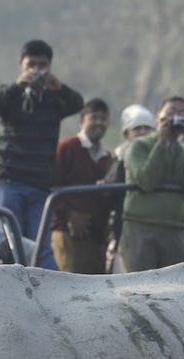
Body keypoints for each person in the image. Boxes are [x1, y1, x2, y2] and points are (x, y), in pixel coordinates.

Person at [0, 39, 84, 270]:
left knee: (39, 248)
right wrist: (17, 87)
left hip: (39, 186)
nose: (36, 70)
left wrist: (59, 87)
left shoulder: (55, 99)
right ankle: (9, 286)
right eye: (31, 65)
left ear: (50, 67)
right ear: (21, 65)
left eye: (42, 65)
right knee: (11, 245)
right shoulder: (10, 94)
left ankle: (48, 290)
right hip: (8, 182)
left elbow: (78, 104)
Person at [118, 96, 184, 272]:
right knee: (140, 284)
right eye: (171, 112)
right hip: (140, 227)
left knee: (175, 285)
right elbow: (146, 181)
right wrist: (162, 143)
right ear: (158, 117)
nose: (176, 117)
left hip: (175, 229)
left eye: (182, 113)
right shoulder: (139, 146)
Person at [51, 98, 113, 274]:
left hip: (96, 237)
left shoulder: (107, 157)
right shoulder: (66, 147)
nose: (99, 123)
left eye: (103, 119)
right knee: (66, 282)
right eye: (94, 118)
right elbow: (51, 185)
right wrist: (69, 215)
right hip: (66, 232)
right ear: (82, 121)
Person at [104, 104, 157, 270]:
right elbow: (112, 187)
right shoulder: (121, 157)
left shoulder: (161, 155)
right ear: (127, 134)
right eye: (137, 129)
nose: (142, 132)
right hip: (127, 225)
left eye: (147, 128)